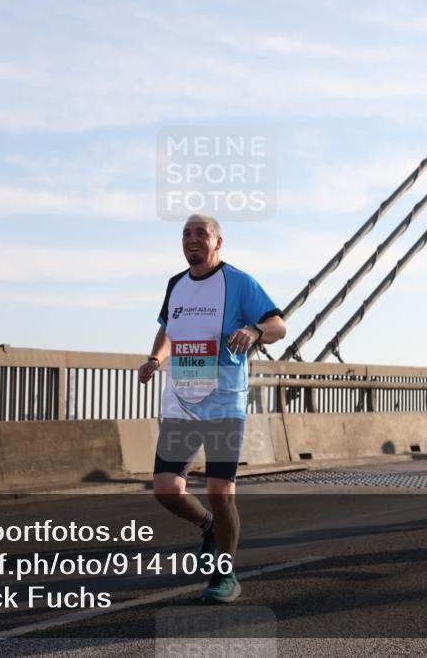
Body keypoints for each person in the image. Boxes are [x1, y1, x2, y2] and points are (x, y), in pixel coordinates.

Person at [139, 213, 286, 603]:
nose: (192, 239)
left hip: (224, 403)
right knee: (166, 489)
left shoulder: (238, 282)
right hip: (181, 403)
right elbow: (168, 329)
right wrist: (155, 358)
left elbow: (278, 325)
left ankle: (225, 574)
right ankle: (207, 527)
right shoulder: (176, 285)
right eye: (186, 233)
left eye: (200, 233)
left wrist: (255, 330)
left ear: (217, 242)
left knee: (221, 493)